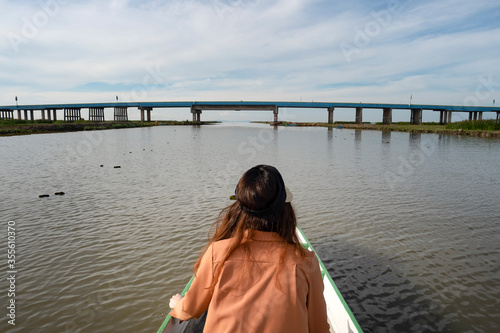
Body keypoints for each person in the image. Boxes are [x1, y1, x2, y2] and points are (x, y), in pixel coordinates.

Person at [169, 165, 330, 332]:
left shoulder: (218, 253)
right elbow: (318, 327)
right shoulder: (305, 261)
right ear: (286, 210)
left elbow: (190, 309)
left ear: (239, 209)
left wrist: (178, 304)